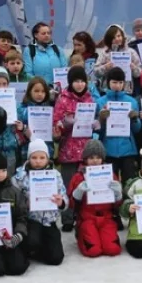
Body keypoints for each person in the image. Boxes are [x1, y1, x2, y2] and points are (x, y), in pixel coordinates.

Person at [12, 140, 68, 265]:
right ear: (28, 158)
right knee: (32, 242)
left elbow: (64, 197)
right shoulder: (20, 177)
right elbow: (13, 200)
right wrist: (25, 204)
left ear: (48, 158)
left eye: (42, 157)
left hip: (50, 221)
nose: (38, 161)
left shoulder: (55, 175)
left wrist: (61, 203)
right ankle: (30, 247)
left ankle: (43, 247)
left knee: (56, 258)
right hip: (30, 220)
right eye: (34, 157)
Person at [68, 139, 123, 258]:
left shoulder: (110, 175)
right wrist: (77, 194)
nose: (95, 161)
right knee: (93, 250)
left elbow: (117, 204)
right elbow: (71, 204)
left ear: (102, 158)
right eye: (91, 157)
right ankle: (81, 234)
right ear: (85, 159)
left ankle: (102, 236)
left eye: (98, 157)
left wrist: (118, 195)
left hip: (107, 217)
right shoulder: (78, 176)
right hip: (87, 217)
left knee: (113, 249)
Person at [53, 66, 97, 198]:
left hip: (86, 151)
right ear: (71, 82)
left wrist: (96, 124)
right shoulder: (63, 99)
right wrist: (65, 123)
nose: (80, 84)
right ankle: (67, 218)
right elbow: (56, 123)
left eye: (82, 81)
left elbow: (93, 118)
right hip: (69, 150)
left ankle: (81, 217)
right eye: (76, 81)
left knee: (87, 189)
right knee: (69, 188)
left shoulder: (90, 98)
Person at [96, 68, 142, 184]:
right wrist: (101, 119)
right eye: (114, 82)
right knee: (110, 183)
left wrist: (134, 119)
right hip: (108, 149)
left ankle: (128, 202)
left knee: (130, 183)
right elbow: (97, 131)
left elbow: (137, 130)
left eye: (120, 82)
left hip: (128, 149)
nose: (117, 85)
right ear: (108, 83)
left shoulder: (131, 102)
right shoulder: (101, 102)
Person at [0, 67, 26, 176]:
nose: (1, 87)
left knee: (8, 182)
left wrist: (21, 127)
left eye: (4, 84)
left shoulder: (16, 105)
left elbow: (23, 124)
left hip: (10, 151)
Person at [94, 24, 142, 94]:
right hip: (107, 91)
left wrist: (133, 68)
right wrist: (105, 67)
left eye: (119, 36)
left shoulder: (131, 52)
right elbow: (96, 72)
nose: (117, 39)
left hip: (126, 91)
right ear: (109, 39)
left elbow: (139, 73)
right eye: (113, 38)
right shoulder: (104, 53)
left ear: (123, 36)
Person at [18, 77, 57, 165]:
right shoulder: (22, 109)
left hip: (46, 151)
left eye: (43, 91)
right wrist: (23, 130)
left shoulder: (50, 110)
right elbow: (18, 130)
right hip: (28, 151)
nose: (40, 94)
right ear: (29, 92)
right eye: (36, 91)